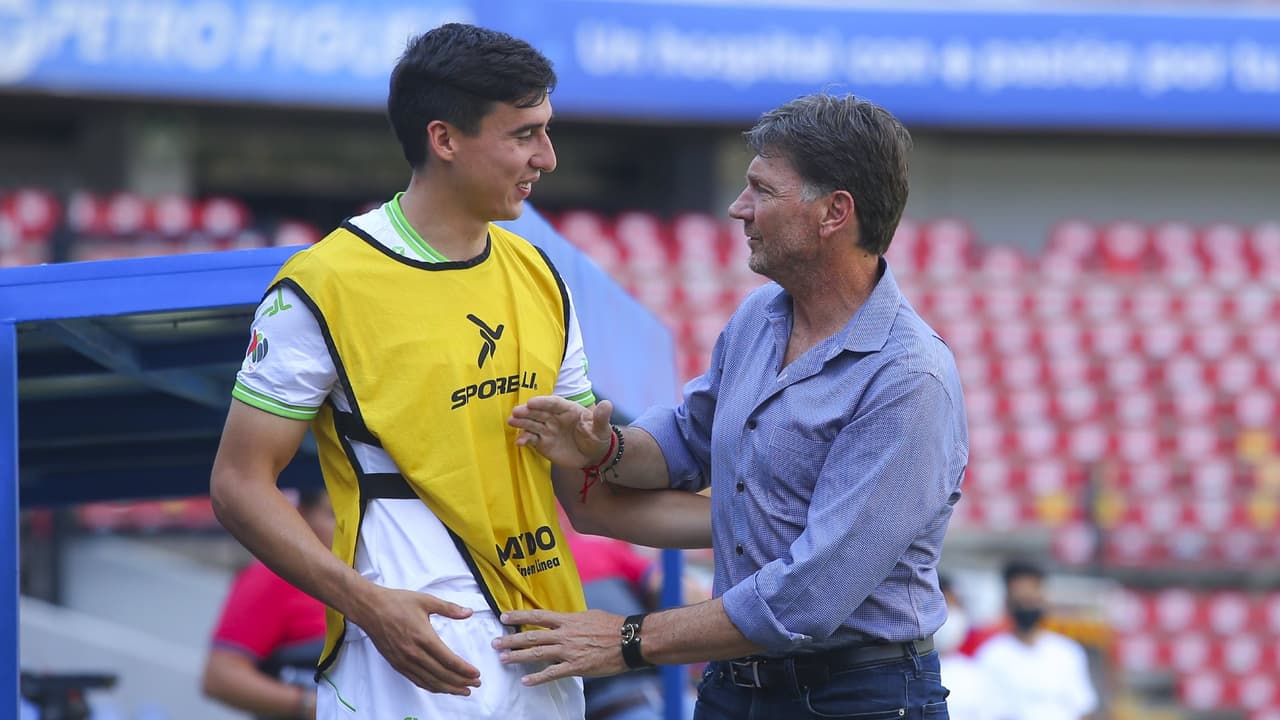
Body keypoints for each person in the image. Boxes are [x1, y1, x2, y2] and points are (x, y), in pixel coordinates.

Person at [209, 22, 709, 720]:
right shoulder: (324, 282)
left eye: (547, 130)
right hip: (405, 650)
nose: (549, 157)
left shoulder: (540, 276)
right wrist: (367, 605)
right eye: (524, 135)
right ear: (444, 139)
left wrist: (754, 523)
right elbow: (237, 483)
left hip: (542, 649)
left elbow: (587, 500)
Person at [496, 92, 968, 720]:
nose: (738, 208)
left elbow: (809, 597)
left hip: (859, 696)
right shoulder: (759, 320)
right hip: (736, 685)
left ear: (834, 212)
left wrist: (628, 640)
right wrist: (602, 447)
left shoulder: (908, 376)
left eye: (762, 190)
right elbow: (682, 444)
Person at [202, 489, 333, 719]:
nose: (346, 525)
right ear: (302, 515)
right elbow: (219, 676)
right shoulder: (273, 577)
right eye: (332, 514)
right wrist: (312, 705)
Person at [975, 560, 1098, 720]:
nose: (1027, 607)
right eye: (1020, 601)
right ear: (1008, 602)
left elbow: (1084, 708)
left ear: (1043, 599)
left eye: (1031, 600)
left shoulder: (1067, 652)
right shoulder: (992, 655)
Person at [936, 574, 994, 720]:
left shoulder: (975, 672)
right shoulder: (908, 671)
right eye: (942, 606)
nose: (949, 616)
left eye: (954, 605)